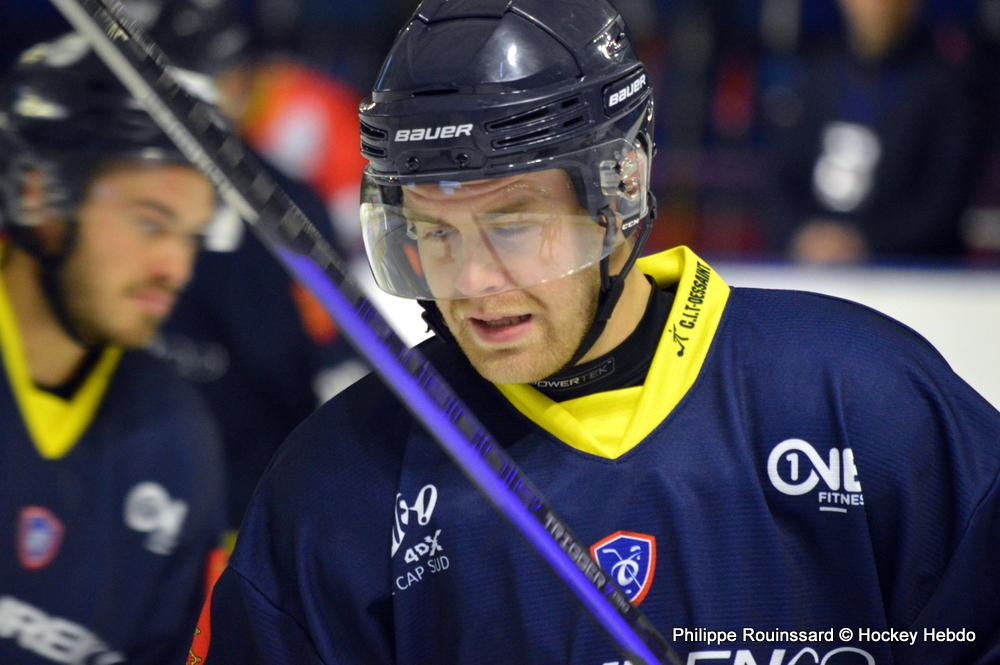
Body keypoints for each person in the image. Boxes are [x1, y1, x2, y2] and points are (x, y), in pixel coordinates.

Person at [193, 1, 1000, 664]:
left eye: (512, 225)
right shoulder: (337, 482)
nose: (472, 283)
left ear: (620, 192)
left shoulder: (862, 398)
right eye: (437, 234)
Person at [0, 34, 226, 664]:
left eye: (191, 236)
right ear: (39, 193)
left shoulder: (177, 438)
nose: (174, 268)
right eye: (150, 222)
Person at [122, 0, 370, 535]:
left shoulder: (287, 208)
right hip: (107, 499)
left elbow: (343, 379)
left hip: (242, 519)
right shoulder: (90, 199)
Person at [764, 0, 981, 262]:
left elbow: (944, 199)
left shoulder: (946, 86)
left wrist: (862, 242)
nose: (876, 6)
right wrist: (802, 234)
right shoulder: (816, 76)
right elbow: (779, 179)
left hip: (910, 276)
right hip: (812, 270)